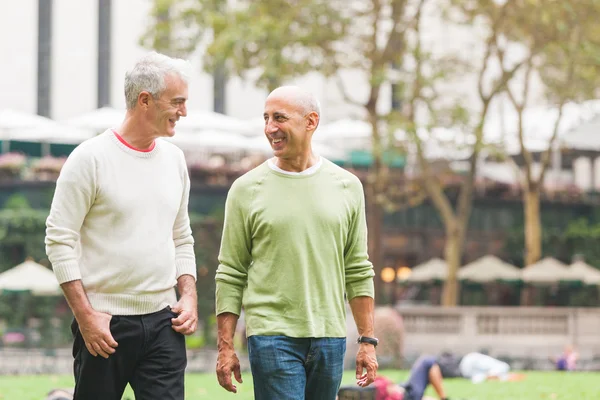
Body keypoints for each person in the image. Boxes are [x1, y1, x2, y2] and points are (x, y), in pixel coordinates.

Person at [45, 51, 198, 400]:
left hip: (164, 322)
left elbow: (182, 237)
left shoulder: (175, 160)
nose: (183, 112)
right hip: (104, 324)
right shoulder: (89, 158)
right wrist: (85, 316)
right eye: (177, 102)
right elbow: (59, 240)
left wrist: (188, 295)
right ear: (145, 100)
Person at [215, 85, 378, 399]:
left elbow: (357, 268)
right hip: (272, 335)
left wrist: (367, 341)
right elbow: (230, 273)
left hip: (330, 337)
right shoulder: (246, 189)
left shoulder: (347, 187)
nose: (269, 128)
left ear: (310, 122)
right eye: (265, 119)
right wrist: (225, 347)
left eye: (279, 118)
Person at [338, 355, 449, 400]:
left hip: (404, 393)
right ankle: (443, 397)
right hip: (404, 395)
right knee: (427, 361)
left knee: (427, 361)